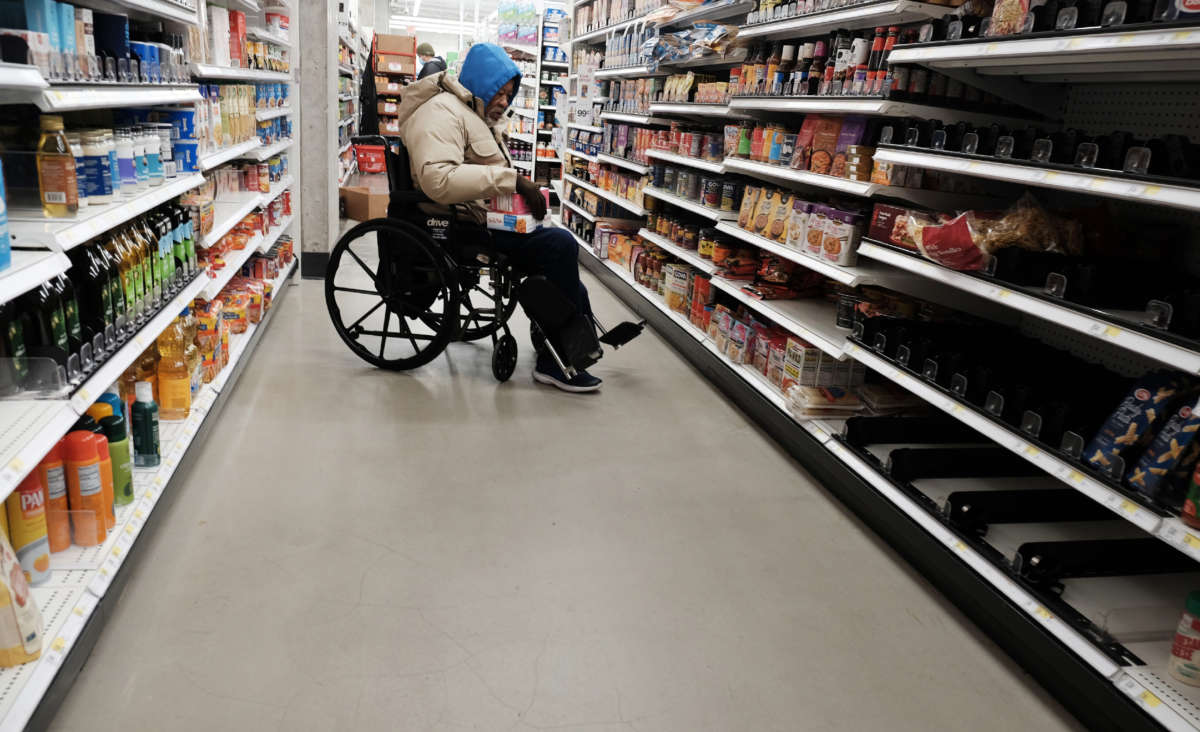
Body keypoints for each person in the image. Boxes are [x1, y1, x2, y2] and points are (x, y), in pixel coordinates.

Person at [395, 42, 602, 393]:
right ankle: (557, 359)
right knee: (560, 246)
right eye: (500, 92)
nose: (505, 102)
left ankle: (565, 340)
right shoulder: (442, 112)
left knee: (554, 252)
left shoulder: (471, 114)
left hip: (484, 217)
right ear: (481, 83)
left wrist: (517, 194)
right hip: (459, 225)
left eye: (509, 94)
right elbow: (438, 179)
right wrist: (512, 181)